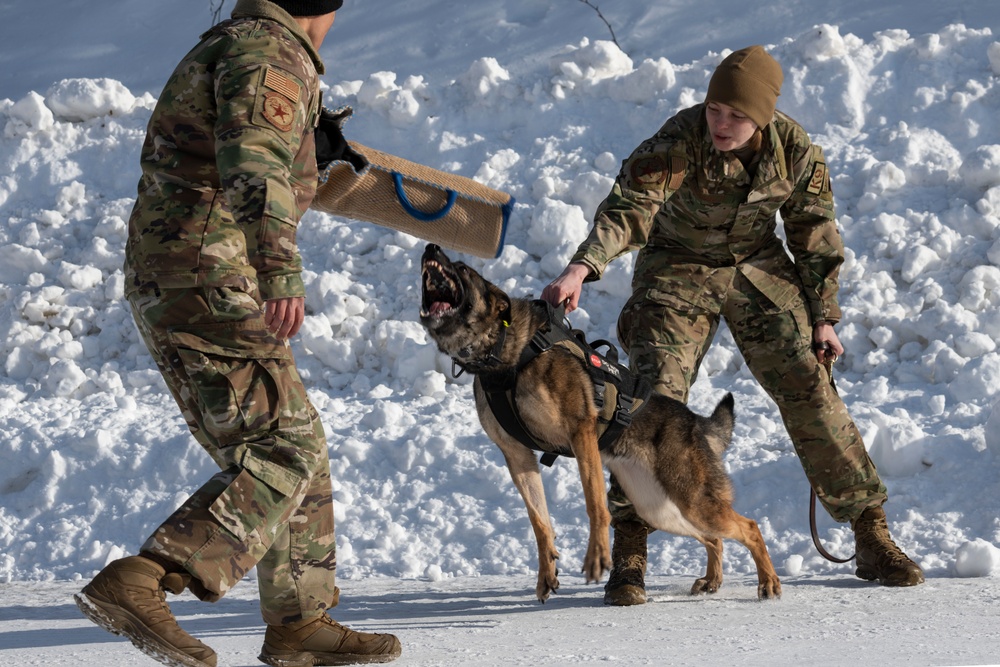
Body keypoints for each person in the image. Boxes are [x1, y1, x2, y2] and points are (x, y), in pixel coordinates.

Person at [73, 1, 402, 665]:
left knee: (292, 434)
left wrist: (308, 143)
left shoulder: (247, 48)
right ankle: (147, 576)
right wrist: (280, 272)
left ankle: (300, 620)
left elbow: (243, 154)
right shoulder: (267, 53)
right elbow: (252, 163)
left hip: (188, 269)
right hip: (206, 272)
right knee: (285, 444)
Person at [542, 45, 924, 606]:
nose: (722, 123)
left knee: (809, 389)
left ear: (763, 118)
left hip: (756, 266)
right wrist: (584, 266)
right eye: (716, 108)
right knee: (651, 399)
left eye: (737, 115)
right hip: (677, 264)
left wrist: (824, 316)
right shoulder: (678, 140)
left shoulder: (795, 152)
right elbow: (630, 206)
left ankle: (871, 531)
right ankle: (631, 544)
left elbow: (814, 234)